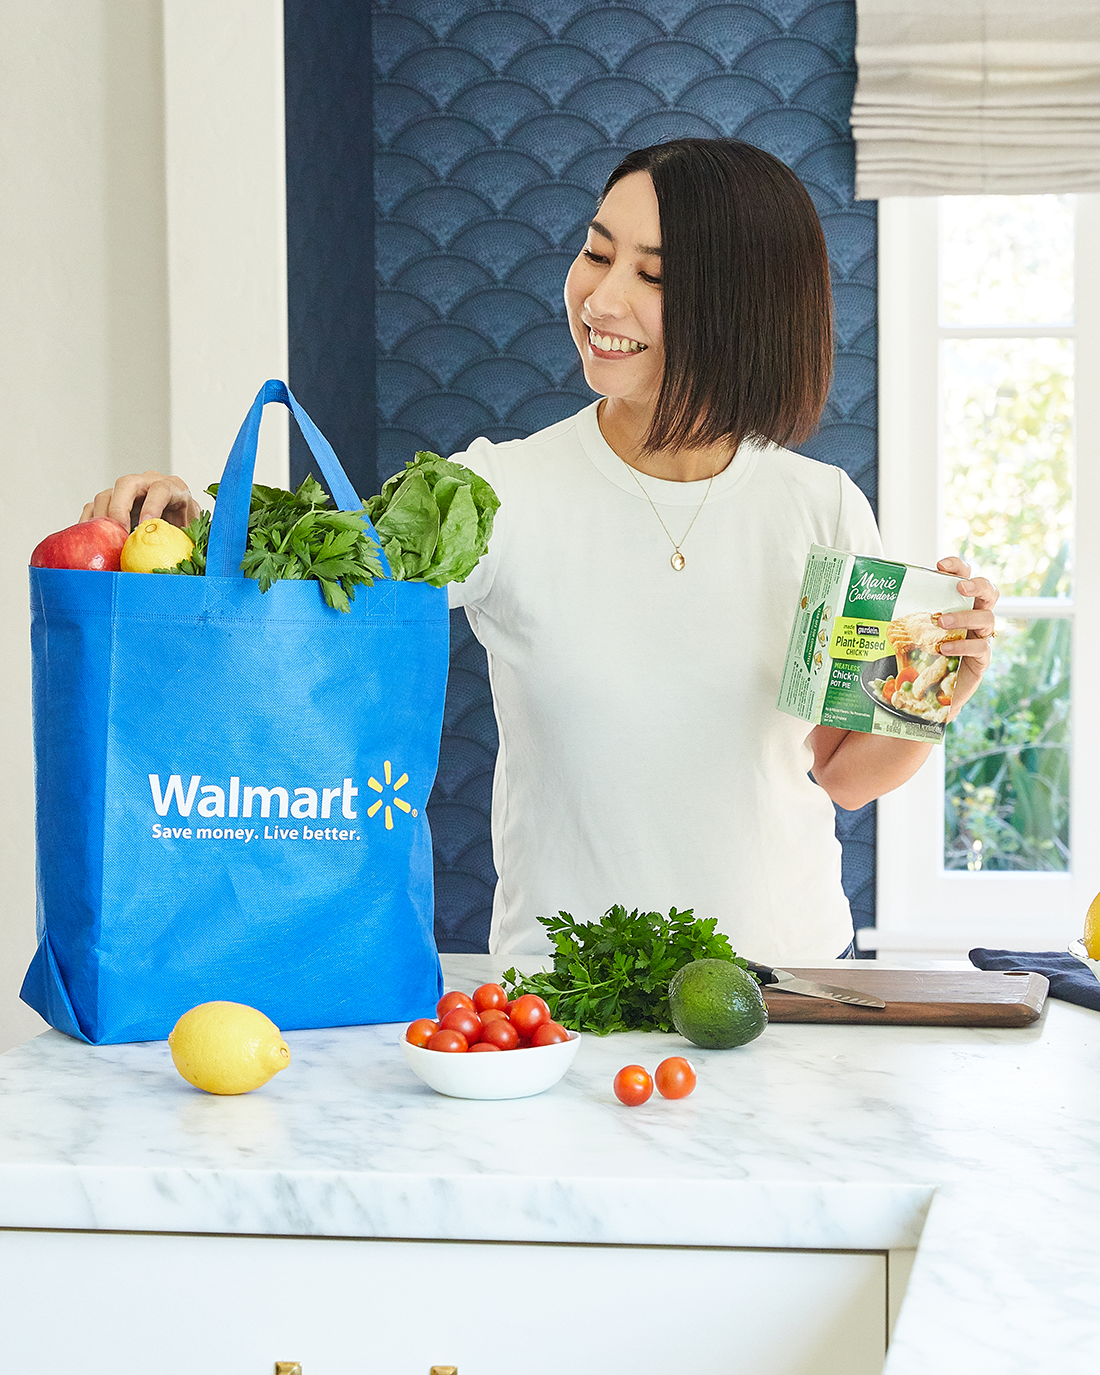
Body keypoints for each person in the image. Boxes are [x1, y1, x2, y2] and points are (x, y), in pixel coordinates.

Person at [83, 139, 997, 964]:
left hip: (781, 992)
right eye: (597, 252)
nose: (601, 298)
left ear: (741, 305)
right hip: (564, 1004)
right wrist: (191, 524)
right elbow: (323, 579)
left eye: (654, 274)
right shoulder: (493, 493)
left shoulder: (821, 509)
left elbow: (842, 771)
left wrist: (931, 695)